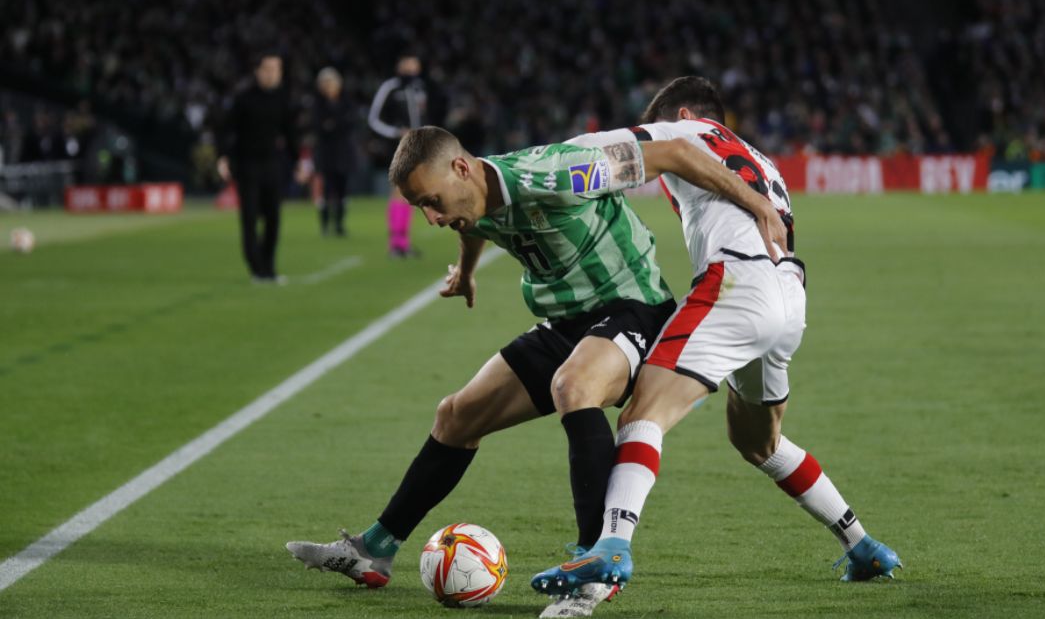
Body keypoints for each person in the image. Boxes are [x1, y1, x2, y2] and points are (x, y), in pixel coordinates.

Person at [284, 125, 788, 603]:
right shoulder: (471, 195)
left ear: (461, 168)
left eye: (431, 203)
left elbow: (674, 154)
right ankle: (375, 551)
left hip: (633, 309)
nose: (431, 219)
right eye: (420, 208)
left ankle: (595, 561)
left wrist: (758, 203)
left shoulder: (558, 173)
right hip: (565, 322)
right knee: (456, 416)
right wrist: (466, 270)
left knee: (573, 386)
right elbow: (473, 219)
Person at [532, 77, 901, 601]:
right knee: (758, 441)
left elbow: (605, 149)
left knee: (642, 413)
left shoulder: (686, 133)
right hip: (789, 295)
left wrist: (529, 170)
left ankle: (611, 545)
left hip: (734, 284)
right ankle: (862, 545)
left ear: (683, 114)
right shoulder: (759, 160)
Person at [217, 51, 307, 284]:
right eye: (268, 69)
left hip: (273, 165)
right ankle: (257, 269)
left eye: (277, 69)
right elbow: (227, 130)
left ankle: (269, 267)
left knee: (273, 218)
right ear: (257, 71)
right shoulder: (243, 98)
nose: (273, 74)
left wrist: (298, 162)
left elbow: (290, 133)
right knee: (249, 218)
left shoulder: (283, 98)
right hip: (247, 165)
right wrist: (224, 157)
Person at [368, 54, 441, 257]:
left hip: (418, 147)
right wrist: (396, 133)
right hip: (398, 146)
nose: (411, 67)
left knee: (409, 193)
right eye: (407, 62)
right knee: (400, 191)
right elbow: (374, 119)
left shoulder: (420, 88)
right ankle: (396, 243)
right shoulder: (390, 87)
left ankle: (401, 243)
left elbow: (424, 117)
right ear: (399, 65)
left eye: (414, 63)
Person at [311, 67, 357, 237]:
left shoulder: (347, 102)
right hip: (325, 153)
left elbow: (350, 124)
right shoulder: (317, 104)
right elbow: (319, 127)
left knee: (342, 189)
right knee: (325, 190)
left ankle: (339, 224)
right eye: (325, 83)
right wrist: (336, 124)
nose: (329, 86)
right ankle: (325, 225)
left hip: (343, 153)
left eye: (331, 83)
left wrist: (332, 124)